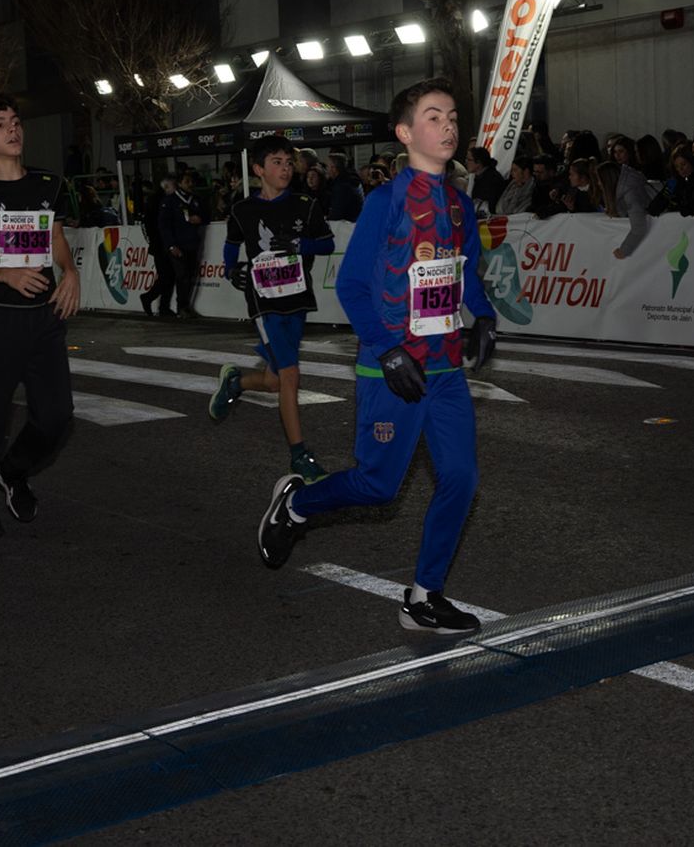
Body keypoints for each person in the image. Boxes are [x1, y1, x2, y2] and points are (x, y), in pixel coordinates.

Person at [256, 77, 498, 634]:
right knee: (378, 486)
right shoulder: (387, 201)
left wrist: (482, 315)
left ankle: (424, 597)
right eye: (434, 117)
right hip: (390, 370)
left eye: (453, 116)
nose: (449, 126)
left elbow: (464, 275)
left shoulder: (460, 205)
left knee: (460, 478)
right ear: (405, 132)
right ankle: (296, 505)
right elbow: (353, 287)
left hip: (443, 371)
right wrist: (388, 350)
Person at [0, 94, 81, 537]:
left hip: (45, 318)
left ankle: (12, 470)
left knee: (57, 416)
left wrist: (70, 272)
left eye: (14, 121)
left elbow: (57, 238)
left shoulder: (50, 183)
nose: (12, 130)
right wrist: (5, 275)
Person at [210, 135, 336, 482]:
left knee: (274, 380)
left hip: (297, 298)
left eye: (288, 162)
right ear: (258, 169)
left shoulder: (305, 204)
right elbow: (231, 244)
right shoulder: (242, 209)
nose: (285, 168)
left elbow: (327, 244)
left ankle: (237, 382)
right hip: (263, 301)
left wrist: (300, 243)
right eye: (277, 162)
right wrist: (229, 269)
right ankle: (300, 455)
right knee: (291, 376)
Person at [158, 171, 206, 318]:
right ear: (179, 183)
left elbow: (207, 215)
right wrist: (171, 245)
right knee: (182, 275)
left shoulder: (195, 199)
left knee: (190, 276)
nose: (190, 184)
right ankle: (180, 307)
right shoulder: (170, 201)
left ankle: (184, 306)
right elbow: (163, 225)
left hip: (192, 244)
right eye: (187, 181)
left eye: (191, 181)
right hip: (178, 245)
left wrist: (201, 219)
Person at [139, 176, 177, 317]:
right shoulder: (159, 202)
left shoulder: (156, 201)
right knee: (167, 276)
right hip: (161, 245)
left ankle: (162, 306)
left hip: (159, 244)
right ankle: (151, 299)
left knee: (168, 276)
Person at [464, 145, 506, 214]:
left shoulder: (493, 180)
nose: (466, 162)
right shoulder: (476, 177)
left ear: (478, 163)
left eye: (469, 160)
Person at [325, 152, 364, 222]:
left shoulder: (341, 187)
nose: (326, 169)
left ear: (334, 168)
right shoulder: (352, 180)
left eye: (327, 166)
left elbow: (337, 213)